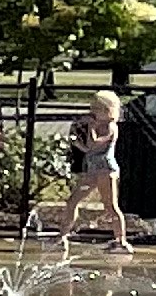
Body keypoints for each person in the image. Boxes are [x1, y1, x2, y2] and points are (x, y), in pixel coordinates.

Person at [31, 90, 129, 252]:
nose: (93, 113)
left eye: (97, 110)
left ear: (108, 110)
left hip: (105, 170)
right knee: (72, 201)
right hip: (92, 170)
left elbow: (95, 144)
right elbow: (88, 150)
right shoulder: (97, 125)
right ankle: (63, 235)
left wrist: (91, 127)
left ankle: (121, 241)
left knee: (110, 206)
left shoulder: (111, 127)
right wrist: (76, 142)